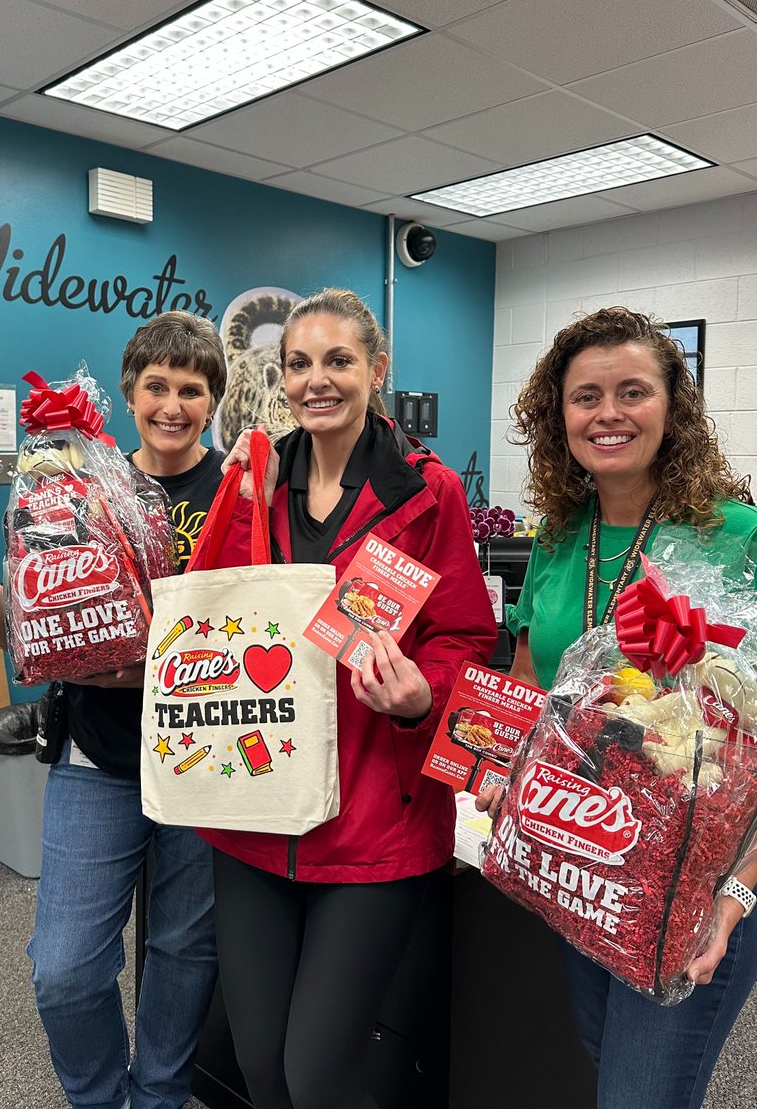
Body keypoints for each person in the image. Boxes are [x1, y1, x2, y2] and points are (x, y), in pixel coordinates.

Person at [0, 311, 227, 1109]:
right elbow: (31, 623)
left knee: (183, 948)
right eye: (157, 386)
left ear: (214, 398)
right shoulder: (75, 480)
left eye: (192, 388)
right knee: (66, 965)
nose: (173, 405)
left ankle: (158, 1096)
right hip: (97, 752)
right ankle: (98, 1099)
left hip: (209, 756)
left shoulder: (238, 490)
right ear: (129, 391)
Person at [188, 288, 497, 1109]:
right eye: (299, 364)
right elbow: (210, 611)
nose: (316, 381)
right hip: (256, 814)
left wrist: (420, 695)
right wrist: (228, 503)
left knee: (316, 1074)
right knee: (258, 1065)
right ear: (279, 376)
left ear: (377, 369)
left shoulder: (427, 493)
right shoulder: (256, 478)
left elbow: (465, 637)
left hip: (374, 823)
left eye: (338, 361)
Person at [476, 306, 757, 1109]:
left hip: (698, 884)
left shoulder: (739, 538)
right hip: (586, 861)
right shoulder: (562, 537)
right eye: (585, 396)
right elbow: (531, 680)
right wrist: (505, 771)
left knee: (639, 1093)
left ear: (673, 408)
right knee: (610, 1067)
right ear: (556, 415)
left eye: (632, 391)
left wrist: (737, 896)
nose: (608, 414)